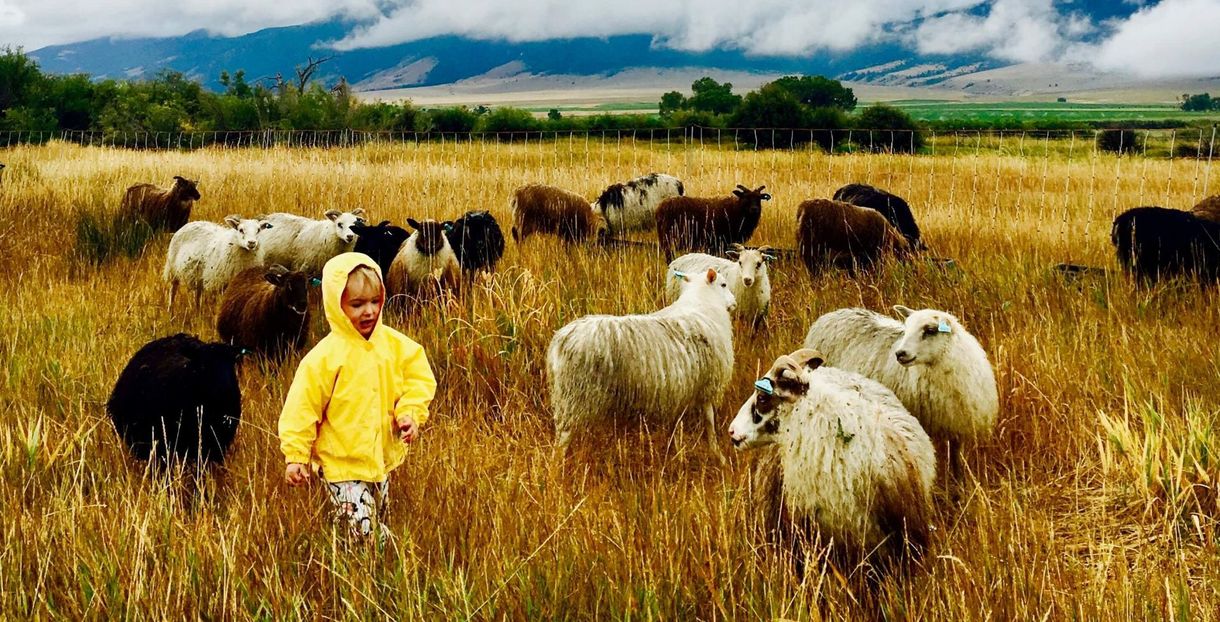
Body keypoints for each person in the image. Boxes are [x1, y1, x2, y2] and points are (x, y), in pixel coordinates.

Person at [278, 252, 436, 543]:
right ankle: (397, 556)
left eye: (375, 302)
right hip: (340, 465)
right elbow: (302, 409)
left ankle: (371, 572)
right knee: (367, 532)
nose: (369, 311)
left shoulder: (395, 345)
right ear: (336, 305)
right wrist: (296, 456)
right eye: (357, 304)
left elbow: (419, 378)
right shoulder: (323, 359)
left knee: (375, 517)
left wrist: (410, 413)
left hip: (380, 460)